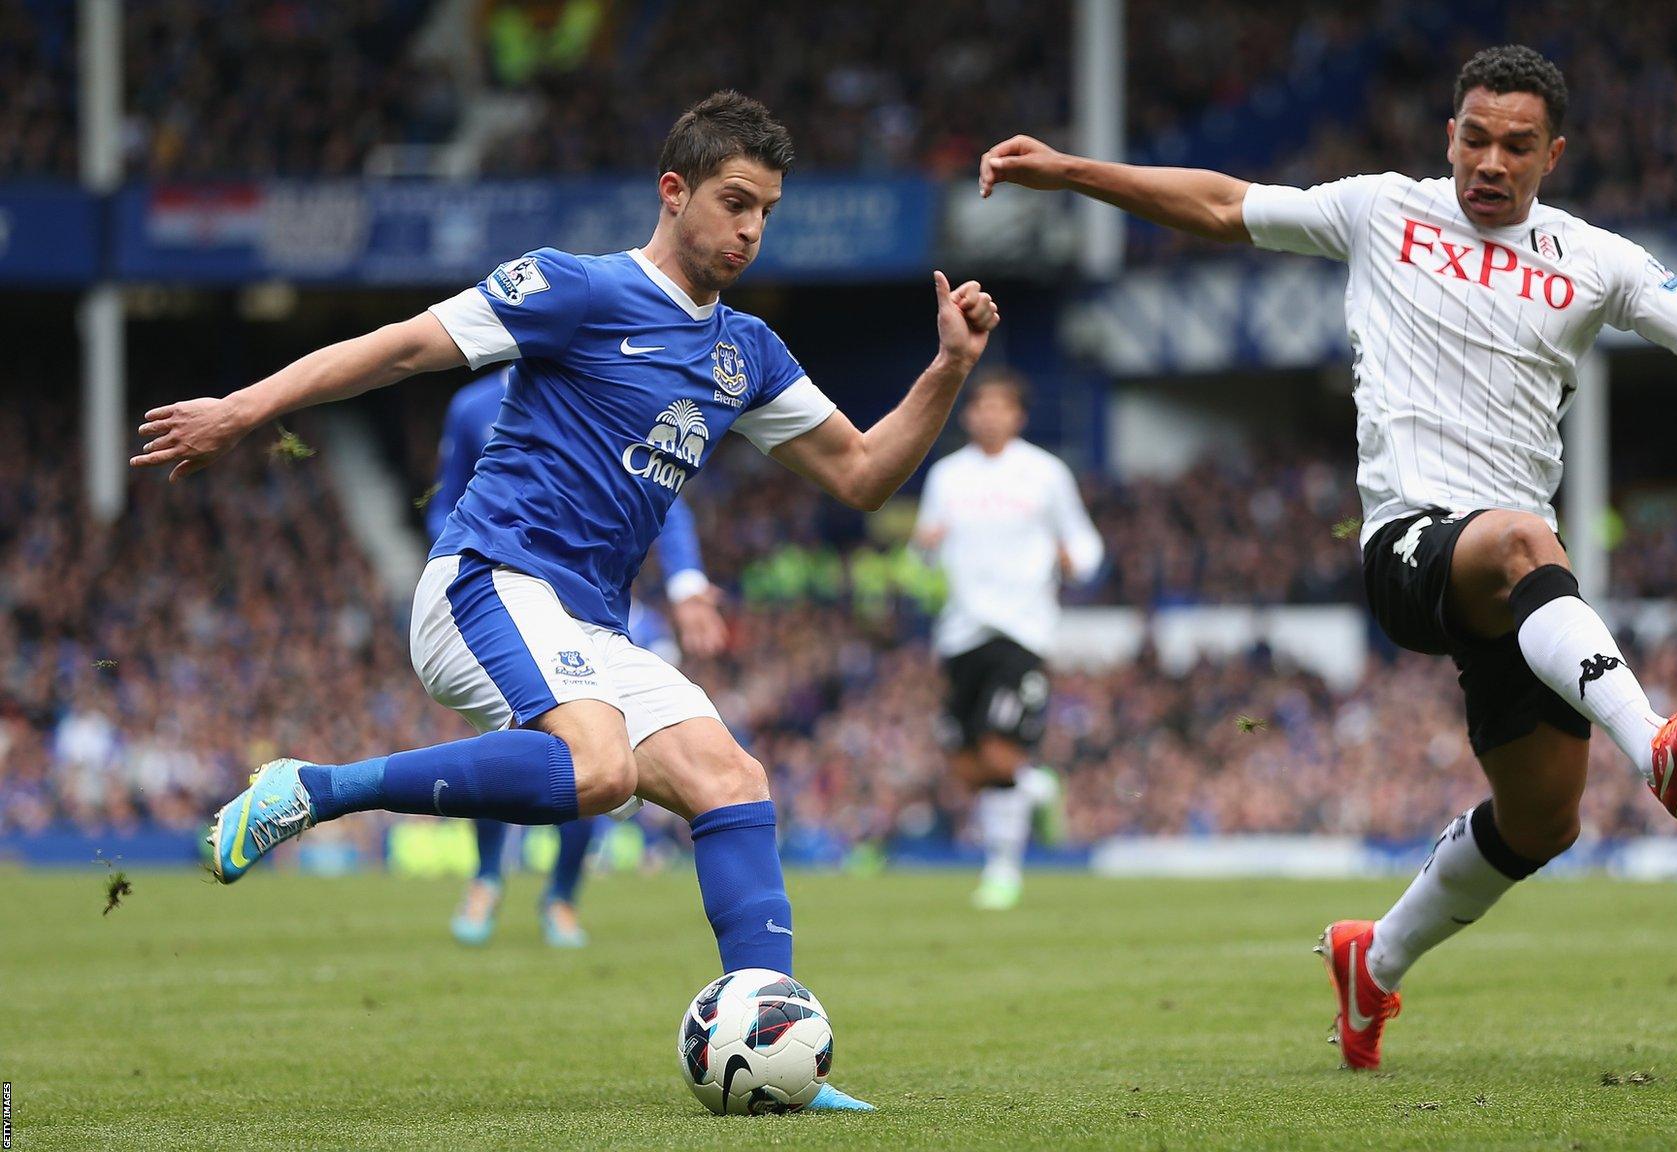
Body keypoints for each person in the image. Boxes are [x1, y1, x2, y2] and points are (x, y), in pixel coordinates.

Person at [977, 45, 1677, 1070]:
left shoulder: (1596, 260)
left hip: (1520, 594)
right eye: (1473, 138)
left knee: (1540, 822)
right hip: (1410, 543)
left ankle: (1373, 961)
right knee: (1532, 537)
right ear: (1448, 135)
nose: (1489, 161)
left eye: (1515, 146)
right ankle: (1656, 745)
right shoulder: (1379, 210)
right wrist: (1074, 171)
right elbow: (1222, 204)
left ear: (1551, 154)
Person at [133, 91, 1001, 1111]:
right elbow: (403, 347)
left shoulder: (746, 353)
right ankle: (316, 788)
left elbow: (858, 473)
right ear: (673, 193)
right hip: (486, 579)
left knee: (731, 780)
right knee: (598, 766)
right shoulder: (573, 289)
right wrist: (243, 410)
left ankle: (777, 1049)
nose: (751, 228)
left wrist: (947, 368)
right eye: (733, 201)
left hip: (585, 619)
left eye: (765, 209)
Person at [425, 371, 730, 949]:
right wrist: (459, 553)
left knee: (595, 749)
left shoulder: (605, 383)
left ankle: (561, 896)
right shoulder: (472, 407)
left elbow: (663, 491)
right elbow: (446, 501)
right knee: (505, 742)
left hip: (592, 604)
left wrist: (688, 580)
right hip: (502, 599)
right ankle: (487, 877)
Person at [912, 368, 1103, 910]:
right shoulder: (947, 477)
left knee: (999, 754)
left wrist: (1076, 562)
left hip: (1021, 629)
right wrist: (923, 547)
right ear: (968, 414)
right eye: (980, 407)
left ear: (1017, 416)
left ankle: (1002, 869)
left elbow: (1085, 543)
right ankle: (1037, 787)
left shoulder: (1045, 474)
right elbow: (922, 554)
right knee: (966, 764)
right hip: (960, 631)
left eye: (1000, 407)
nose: (988, 416)